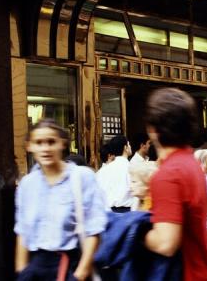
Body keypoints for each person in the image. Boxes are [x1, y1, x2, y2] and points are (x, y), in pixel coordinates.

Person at [15, 119, 107, 281]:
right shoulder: (27, 184)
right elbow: (23, 231)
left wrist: (79, 275)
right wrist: (22, 270)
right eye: (39, 142)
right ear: (30, 146)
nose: (45, 148)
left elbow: (94, 231)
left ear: (63, 144)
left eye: (51, 142)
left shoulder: (82, 177)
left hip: (68, 265)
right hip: (35, 268)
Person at [143, 88, 207, 280]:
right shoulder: (191, 164)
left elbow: (165, 243)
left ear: (152, 129)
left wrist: (131, 231)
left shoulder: (168, 174)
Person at [96, 135, 136, 212]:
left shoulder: (102, 171)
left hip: (108, 212)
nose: (130, 147)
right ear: (125, 147)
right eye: (129, 144)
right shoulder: (131, 168)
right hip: (127, 211)